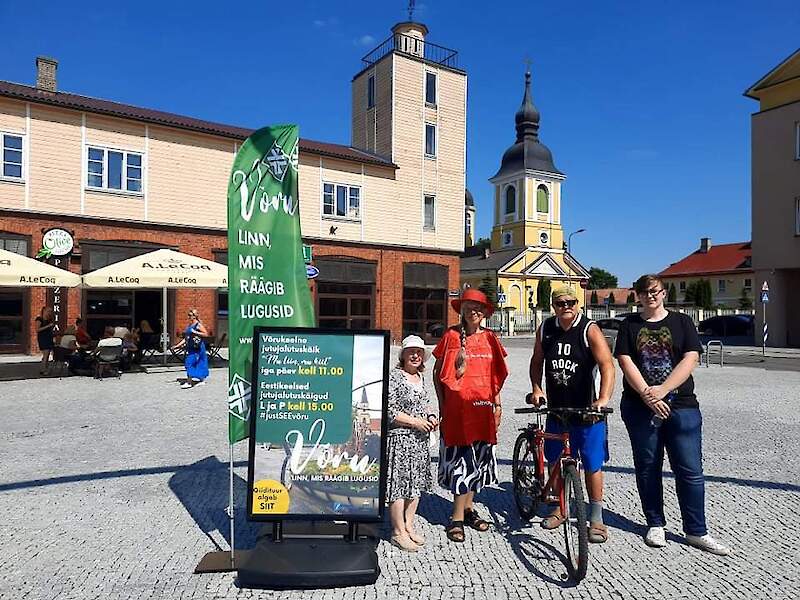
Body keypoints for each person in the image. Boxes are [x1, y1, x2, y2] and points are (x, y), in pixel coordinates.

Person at [614, 274, 730, 556]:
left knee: (689, 469)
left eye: (655, 291)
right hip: (640, 407)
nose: (650, 296)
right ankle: (655, 524)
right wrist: (647, 394)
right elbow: (625, 360)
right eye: (644, 292)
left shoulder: (681, 322)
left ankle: (697, 530)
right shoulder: (629, 324)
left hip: (682, 405)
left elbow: (691, 358)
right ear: (637, 296)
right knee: (648, 465)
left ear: (664, 293)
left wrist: (663, 390)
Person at [528, 286, 615, 543]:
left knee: (592, 464)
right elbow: (537, 360)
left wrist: (603, 398)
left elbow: (607, 365)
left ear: (578, 304)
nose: (566, 307)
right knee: (555, 461)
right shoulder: (546, 329)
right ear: (553, 306)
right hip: (557, 409)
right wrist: (536, 388)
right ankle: (561, 508)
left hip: (588, 411)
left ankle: (596, 517)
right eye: (560, 303)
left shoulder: (589, 330)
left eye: (571, 302)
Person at [432, 288, 508, 543]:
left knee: (479, 459)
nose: (473, 311)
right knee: (461, 462)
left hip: (483, 408)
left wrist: (498, 404)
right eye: (468, 307)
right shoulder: (451, 336)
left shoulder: (491, 338)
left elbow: (495, 376)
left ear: (485, 312)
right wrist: (443, 406)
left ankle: (468, 509)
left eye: (478, 307)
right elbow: (436, 373)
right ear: (461, 310)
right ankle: (456, 517)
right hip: (457, 411)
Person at [385, 335, 437, 552]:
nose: (415, 355)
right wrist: (416, 422)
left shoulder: (420, 378)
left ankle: (408, 526)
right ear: (403, 354)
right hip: (400, 439)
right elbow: (390, 410)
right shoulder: (395, 377)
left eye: (419, 352)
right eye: (411, 351)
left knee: (415, 485)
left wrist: (432, 417)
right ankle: (397, 532)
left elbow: (425, 403)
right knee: (398, 486)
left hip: (419, 441)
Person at [171, 308, 209, 389]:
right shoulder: (190, 325)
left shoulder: (198, 325)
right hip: (191, 347)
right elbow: (186, 338)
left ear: (194, 316)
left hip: (197, 348)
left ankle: (189, 382)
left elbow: (206, 334)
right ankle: (202, 380)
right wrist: (177, 345)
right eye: (188, 315)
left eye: (190, 315)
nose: (188, 317)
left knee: (189, 363)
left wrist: (195, 332)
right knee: (195, 363)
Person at [35, 306, 56, 375]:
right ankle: (44, 370)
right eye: (48, 311)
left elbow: (50, 330)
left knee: (46, 355)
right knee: (46, 354)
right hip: (43, 338)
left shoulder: (49, 320)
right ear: (44, 311)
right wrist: (48, 326)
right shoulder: (39, 319)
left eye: (50, 311)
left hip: (49, 338)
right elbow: (37, 329)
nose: (49, 313)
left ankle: (43, 369)